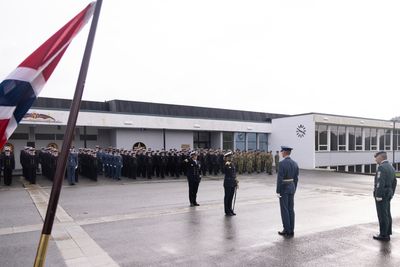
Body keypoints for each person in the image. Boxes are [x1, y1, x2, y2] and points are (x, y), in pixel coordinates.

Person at [373, 151, 397, 241]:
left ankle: (383, 235)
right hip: (388, 194)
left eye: (376, 157)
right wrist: (391, 193)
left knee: (382, 214)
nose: (375, 159)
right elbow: (394, 182)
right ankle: (387, 232)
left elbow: (380, 183)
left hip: (382, 195)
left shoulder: (382, 168)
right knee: (387, 214)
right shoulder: (391, 167)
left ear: (381, 157)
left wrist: (378, 195)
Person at [276, 146, 299, 237]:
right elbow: (296, 178)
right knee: (290, 209)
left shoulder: (282, 164)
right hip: (292, 188)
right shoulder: (295, 163)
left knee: (284, 209)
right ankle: (291, 229)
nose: (281, 153)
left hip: (284, 188)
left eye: (282, 151)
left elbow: (280, 179)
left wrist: (278, 191)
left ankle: (286, 229)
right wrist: (294, 188)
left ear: (285, 152)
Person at [223, 151, 238, 216]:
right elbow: (225, 171)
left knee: (231, 197)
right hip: (228, 183)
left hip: (232, 183)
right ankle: (227, 211)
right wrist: (226, 164)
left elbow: (234, 174)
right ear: (226, 158)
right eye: (230, 157)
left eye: (231, 157)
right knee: (227, 197)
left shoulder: (232, 164)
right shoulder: (226, 164)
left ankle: (230, 209)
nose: (231, 158)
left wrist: (236, 181)